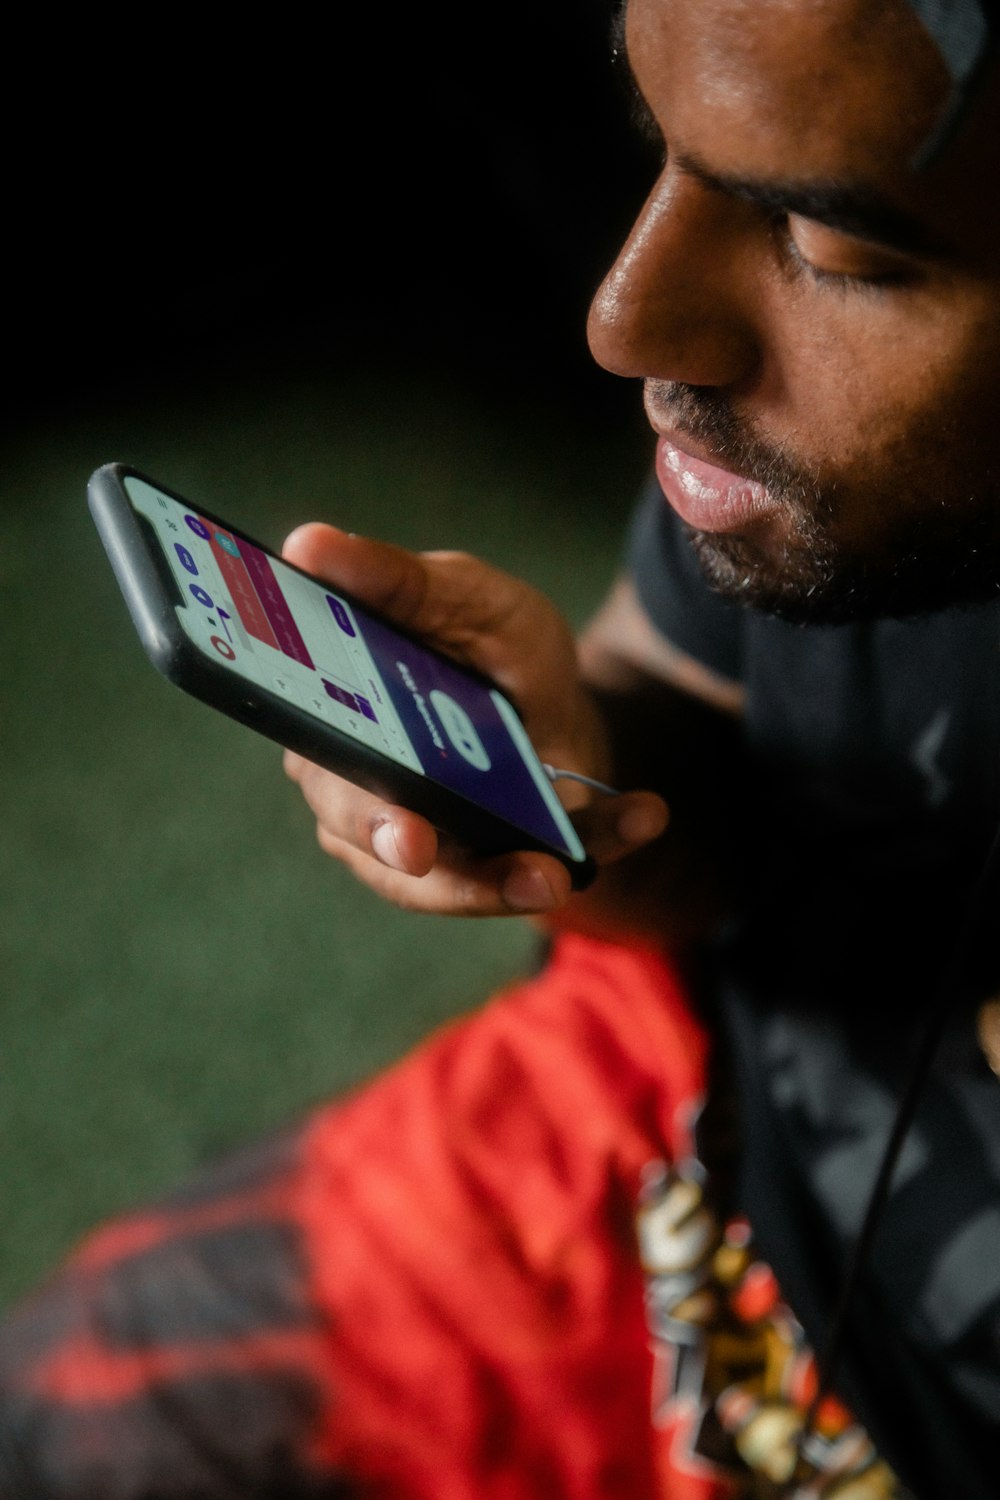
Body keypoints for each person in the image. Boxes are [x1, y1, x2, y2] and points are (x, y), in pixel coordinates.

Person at [3, 0, 1000, 1495]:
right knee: (68, 1412)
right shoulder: (838, 473)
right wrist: (579, 770)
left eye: (835, 247)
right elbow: (713, 739)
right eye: (666, 145)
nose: (626, 320)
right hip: (668, 1123)